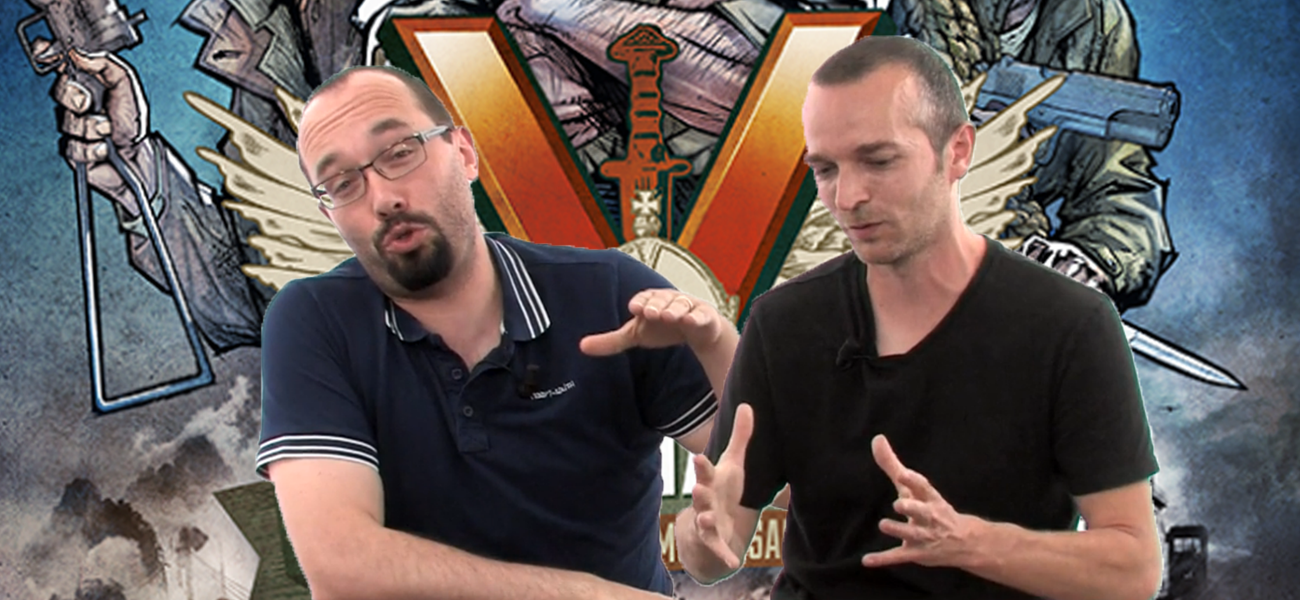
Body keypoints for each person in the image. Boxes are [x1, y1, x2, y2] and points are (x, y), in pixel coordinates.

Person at [674, 36, 1163, 600]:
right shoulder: (783, 322)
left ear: (957, 152)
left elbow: (1133, 569)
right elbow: (712, 554)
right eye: (825, 169)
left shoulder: (1069, 324)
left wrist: (971, 544)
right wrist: (703, 532)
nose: (847, 197)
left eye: (878, 161)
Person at [257, 65, 740, 599]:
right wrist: (588, 596)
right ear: (330, 215)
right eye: (343, 184)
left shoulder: (608, 293)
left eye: (399, 153)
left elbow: (761, 455)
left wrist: (717, 343)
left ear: (464, 153)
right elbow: (342, 566)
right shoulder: (314, 319)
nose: (382, 199)